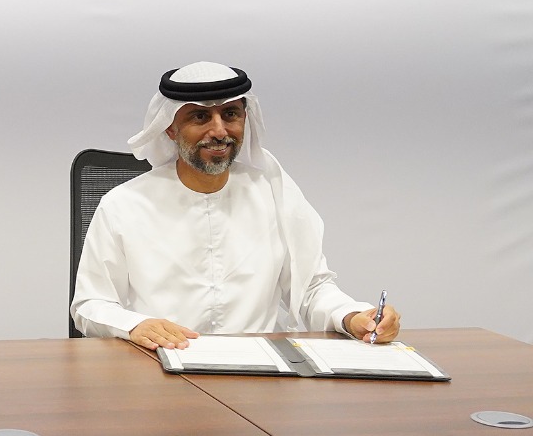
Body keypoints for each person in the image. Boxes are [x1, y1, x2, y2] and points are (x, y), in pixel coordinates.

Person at [71, 61, 399, 351]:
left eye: (230, 114)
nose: (219, 131)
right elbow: (90, 303)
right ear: (170, 127)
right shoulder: (124, 205)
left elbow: (310, 287)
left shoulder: (274, 192)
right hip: (161, 365)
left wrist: (353, 316)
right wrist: (136, 325)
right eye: (200, 116)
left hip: (261, 373)